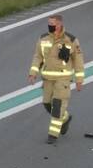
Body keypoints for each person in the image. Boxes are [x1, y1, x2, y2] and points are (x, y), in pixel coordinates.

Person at [28, 14, 85, 144]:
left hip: (63, 79)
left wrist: (79, 79)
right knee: (47, 104)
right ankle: (65, 119)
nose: (50, 26)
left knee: (58, 106)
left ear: (59, 25)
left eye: (52, 24)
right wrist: (33, 73)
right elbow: (38, 56)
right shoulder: (43, 39)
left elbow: (78, 60)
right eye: (49, 23)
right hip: (47, 78)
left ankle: (53, 134)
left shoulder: (71, 40)